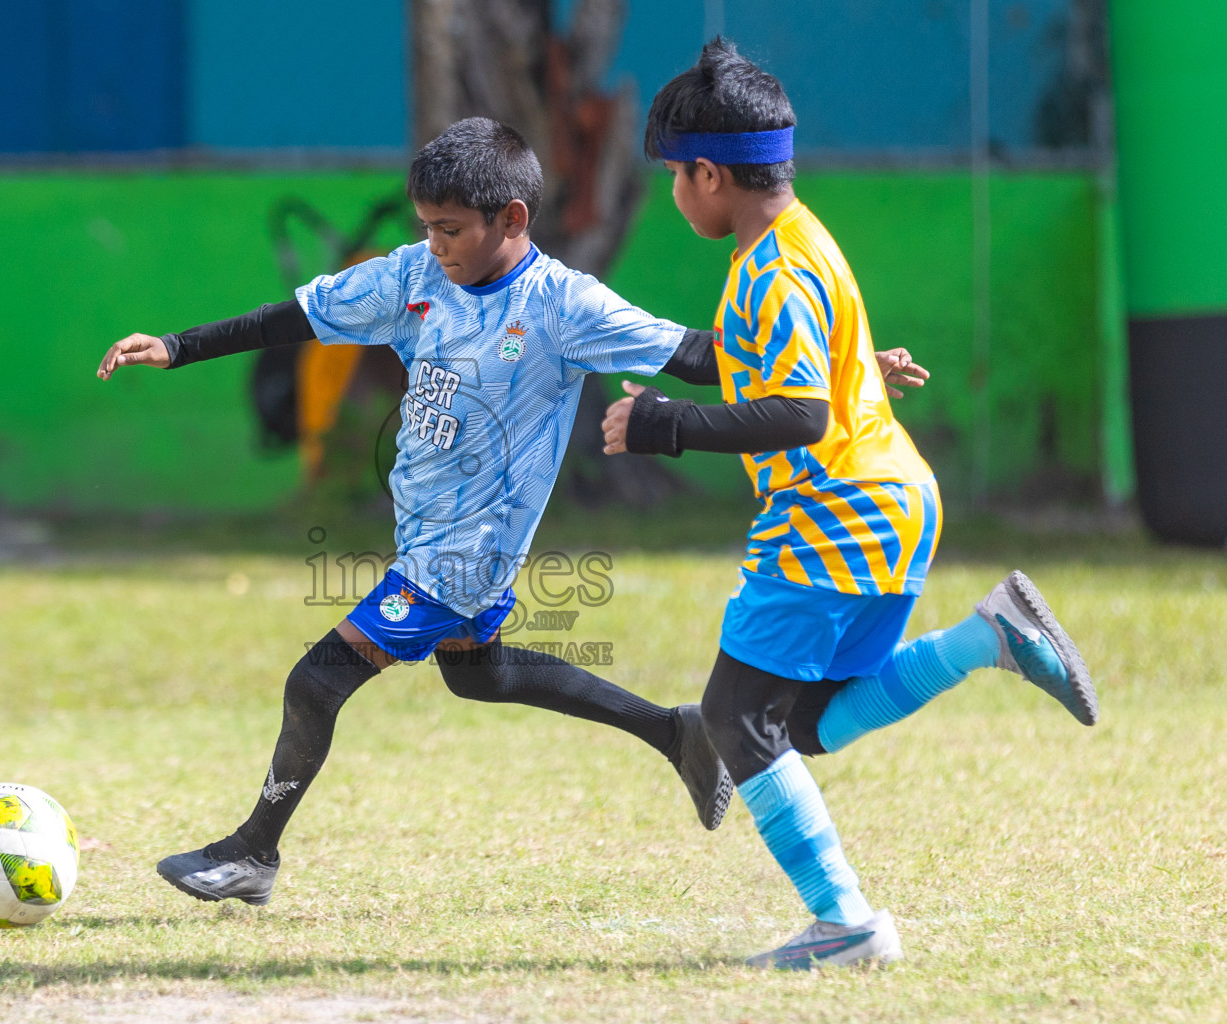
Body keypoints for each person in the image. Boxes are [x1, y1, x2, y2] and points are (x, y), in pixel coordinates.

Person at [96, 116, 927, 909]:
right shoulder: (415, 277)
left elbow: (700, 354)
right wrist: (177, 346)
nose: (435, 243)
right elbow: (303, 316)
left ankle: (252, 852)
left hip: (468, 553)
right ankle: (675, 733)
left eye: (450, 228)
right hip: (424, 532)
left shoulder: (565, 306)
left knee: (315, 682)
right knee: (478, 674)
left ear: (513, 218)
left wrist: (842, 364)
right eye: (427, 226)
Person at [600, 39, 1097, 970]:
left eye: (676, 176)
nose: (674, 194)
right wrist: (864, 368)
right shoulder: (801, 240)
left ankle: (846, 924)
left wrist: (665, 423)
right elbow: (790, 365)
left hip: (834, 508)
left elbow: (795, 410)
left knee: (736, 718)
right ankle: (988, 636)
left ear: (712, 174)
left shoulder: (769, 270)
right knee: (805, 720)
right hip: (895, 501)